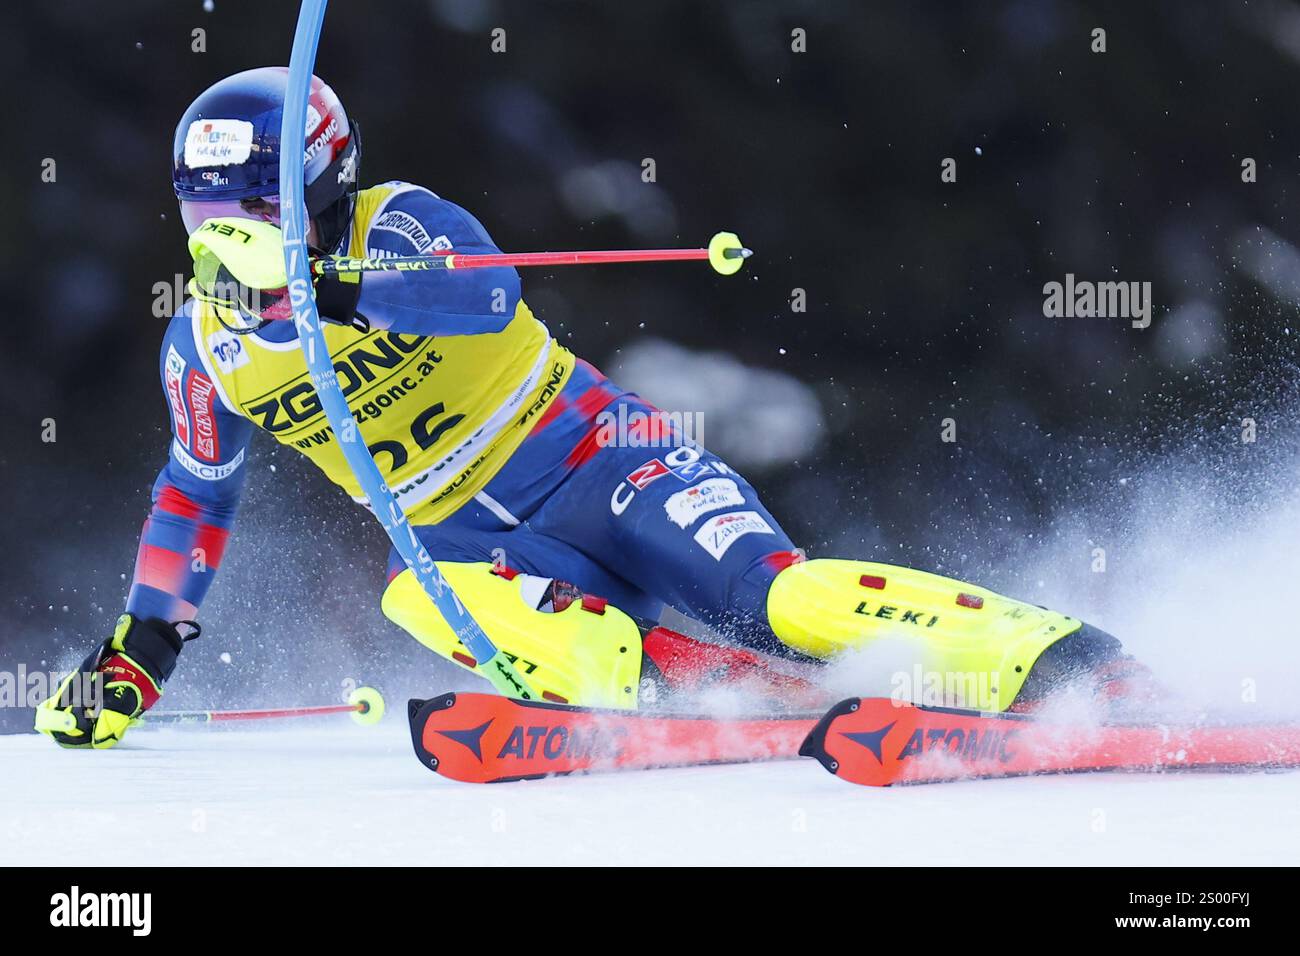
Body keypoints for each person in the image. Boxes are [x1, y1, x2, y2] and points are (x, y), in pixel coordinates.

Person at [37, 67, 1135, 748]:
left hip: (607, 465)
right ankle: (635, 686)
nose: (232, 247)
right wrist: (143, 647)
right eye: (210, 217)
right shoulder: (207, 345)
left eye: (254, 215)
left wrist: (340, 292)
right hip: (472, 548)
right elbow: (192, 493)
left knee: (778, 601)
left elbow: (483, 295)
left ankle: (1041, 653)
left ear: (319, 191)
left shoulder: (399, 222)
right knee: (414, 601)